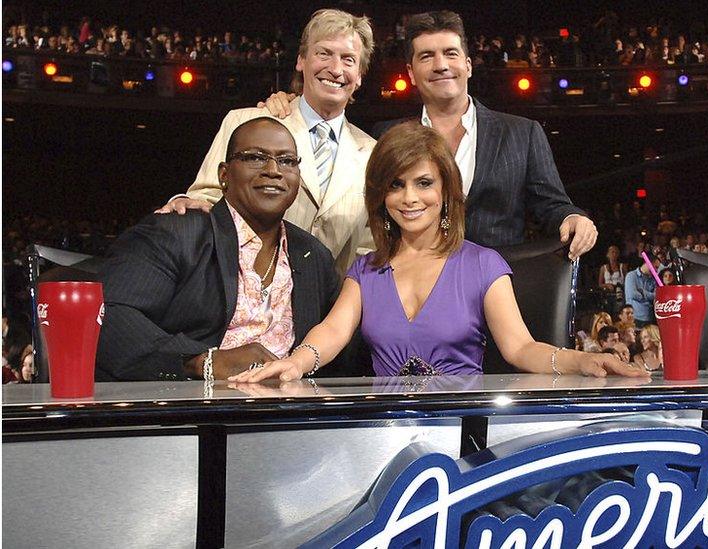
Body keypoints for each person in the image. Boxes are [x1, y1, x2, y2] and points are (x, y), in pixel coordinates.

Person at [230, 123, 646, 382]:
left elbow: (520, 348)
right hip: (380, 434)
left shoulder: (484, 265)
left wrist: (582, 362)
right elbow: (332, 332)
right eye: (395, 185)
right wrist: (296, 363)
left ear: (446, 192)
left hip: (460, 433)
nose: (409, 198)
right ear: (380, 196)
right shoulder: (366, 271)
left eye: (423, 183)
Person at [260, 11, 598, 260]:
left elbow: (552, 204)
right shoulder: (386, 136)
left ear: (468, 64)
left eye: (450, 54)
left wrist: (573, 217)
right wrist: (289, 104)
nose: (440, 65)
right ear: (411, 72)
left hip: (498, 293)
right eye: (426, 56)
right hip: (412, 293)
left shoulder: (522, 133)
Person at [96, 118, 341, 381]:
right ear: (224, 175)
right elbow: (108, 314)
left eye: (287, 161)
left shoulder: (313, 255)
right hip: (191, 411)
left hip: (287, 412)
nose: (274, 170)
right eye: (256, 157)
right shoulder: (177, 233)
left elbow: (342, 338)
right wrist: (202, 362)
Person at [156, 10, 377, 275]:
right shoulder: (245, 122)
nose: (336, 69)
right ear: (301, 60)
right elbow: (205, 198)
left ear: (360, 75)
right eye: (324, 53)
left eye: (348, 59)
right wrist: (184, 204)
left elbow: (369, 248)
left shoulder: (374, 153)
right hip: (239, 299)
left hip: (329, 309)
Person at [623, 261, 656, 327]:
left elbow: (656, 295)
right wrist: (649, 296)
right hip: (635, 317)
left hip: (649, 317)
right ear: (647, 263)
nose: (656, 270)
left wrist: (643, 293)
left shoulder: (653, 279)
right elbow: (633, 294)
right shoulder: (631, 275)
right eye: (655, 267)